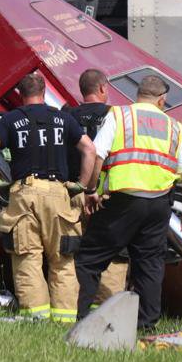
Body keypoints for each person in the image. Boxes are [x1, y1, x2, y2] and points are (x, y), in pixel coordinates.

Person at [76, 74, 182, 330]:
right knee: (150, 265)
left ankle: (79, 318)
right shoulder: (175, 126)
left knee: (90, 258)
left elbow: (98, 155)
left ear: (138, 95)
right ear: (162, 100)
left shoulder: (120, 116)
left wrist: (91, 190)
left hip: (123, 200)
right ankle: (146, 325)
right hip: (158, 205)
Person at [0, 71, 95, 323]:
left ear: (21, 95)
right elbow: (89, 149)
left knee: (27, 257)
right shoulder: (63, 119)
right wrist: (82, 185)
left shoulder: (11, 120)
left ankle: (35, 318)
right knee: (62, 258)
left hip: (23, 194)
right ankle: (65, 319)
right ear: (43, 93)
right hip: (58, 192)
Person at [63, 68, 128, 306]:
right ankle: (105, 305)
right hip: (104, 195)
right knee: (109, 251)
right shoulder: (117, 116)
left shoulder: (66, 115)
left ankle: (71, 303)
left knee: (69, 251)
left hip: (70, 192)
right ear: (102, 88)